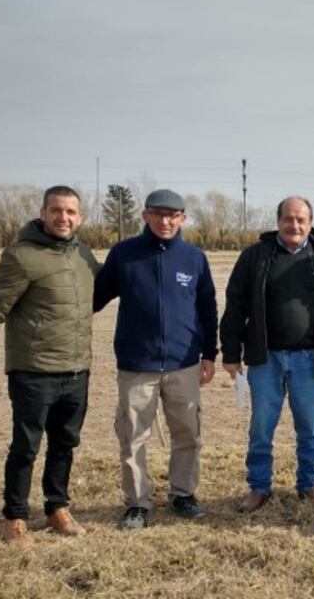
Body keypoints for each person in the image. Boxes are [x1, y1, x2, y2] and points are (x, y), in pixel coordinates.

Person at [0, 186, 100, 546]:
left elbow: (100, 293)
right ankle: (15, 516)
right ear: (43, 213)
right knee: (26, 447)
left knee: (64, 444)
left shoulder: (84, 255)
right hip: (33, 371)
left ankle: (56, 507)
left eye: (71, 212)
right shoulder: (21, 255)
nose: (64, 218)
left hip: (76, 370)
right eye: (56, 210)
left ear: (80, 218)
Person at [94, 189, 218, 530]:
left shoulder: (194, 258)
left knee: (188, 433)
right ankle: (137, 503)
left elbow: (207, 308)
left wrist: (210, 354)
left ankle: (183, 495)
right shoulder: (124, 254)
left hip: (184, 363)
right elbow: (93, 298)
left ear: (183, 219)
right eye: (158, 214)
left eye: (173, 215)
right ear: (145, 216)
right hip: (137, 364)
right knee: (132, 436)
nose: (165, 221)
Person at [220, 196, 314, 513]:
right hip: (266, 359)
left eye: (301, 220)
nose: (295, 225)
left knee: (309, 429)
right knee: (261, 427)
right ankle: (259, 487)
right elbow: (235, 306)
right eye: (288, 219)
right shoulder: (255, 256)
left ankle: (308, 485)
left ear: (310, 223)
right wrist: (231, 353)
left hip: (309, 359)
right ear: (278, 221)